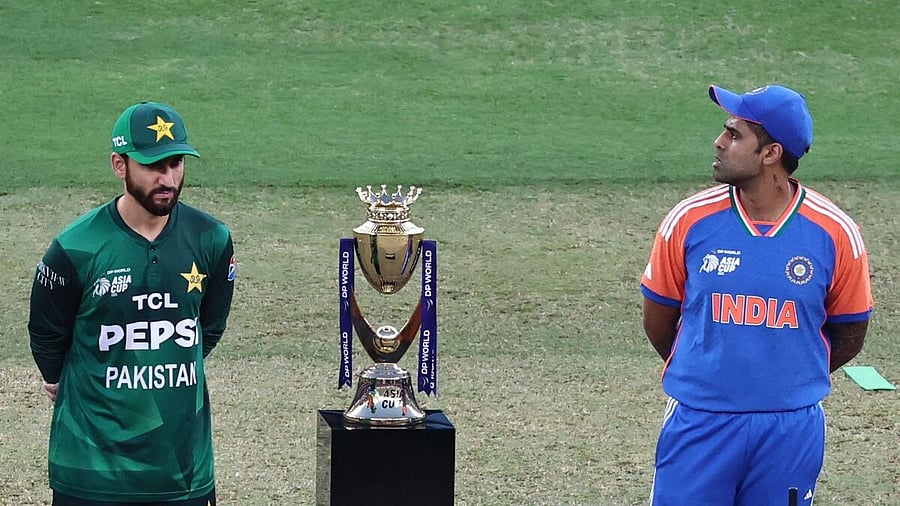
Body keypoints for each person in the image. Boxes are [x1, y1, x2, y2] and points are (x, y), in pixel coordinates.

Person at [640, 84, 873, 505]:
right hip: (699, 422)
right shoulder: (689, 220)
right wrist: (709, 372)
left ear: (771, 154)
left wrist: (785, 382)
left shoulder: (836, 233)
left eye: (734, 134)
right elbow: (657, 320)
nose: (719, 141)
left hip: (789, 431)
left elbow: (851, 332)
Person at [28, 101, 236, 505]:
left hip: (182, 474)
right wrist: (62, 377)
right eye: (154, 165)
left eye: (176, 163)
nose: (169, 178)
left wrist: (164, 360)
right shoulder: (76, 247)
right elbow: (46, 332)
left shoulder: (212, 238)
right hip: (91, 473)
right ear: (119, 165)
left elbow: (208, 327)